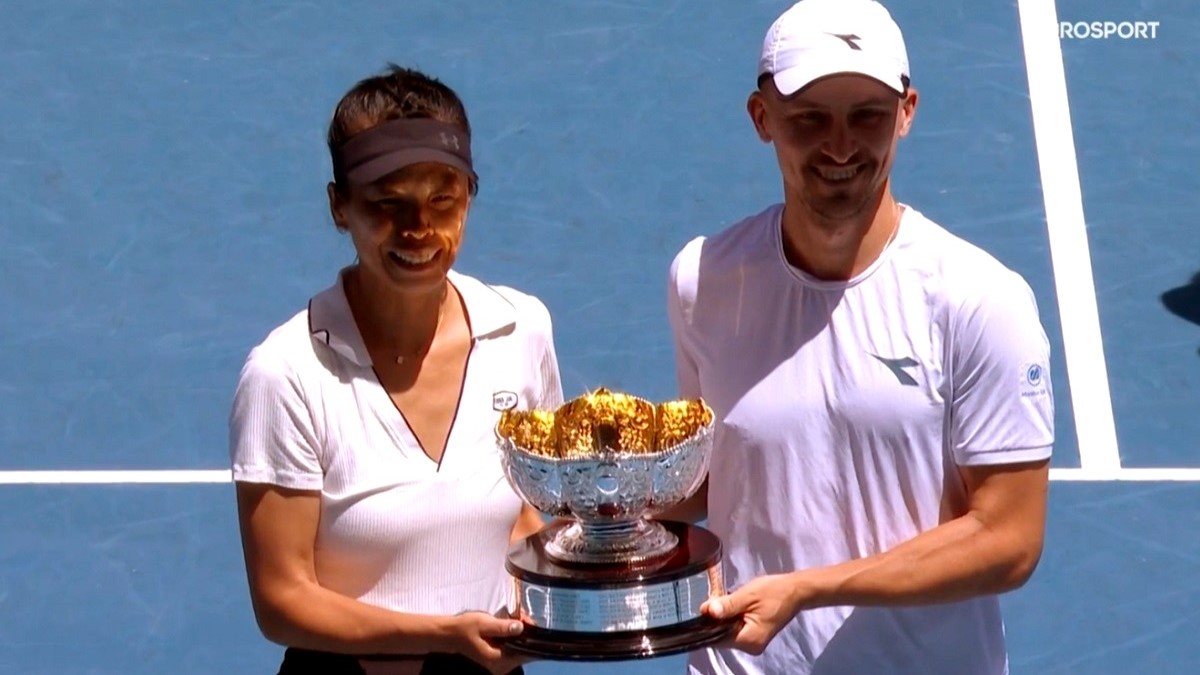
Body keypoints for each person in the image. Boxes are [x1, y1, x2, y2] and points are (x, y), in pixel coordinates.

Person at [663, 1, 1055, 673]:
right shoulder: (703, 279)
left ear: (907, 112)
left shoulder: (979, 299)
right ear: (762, 118)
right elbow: (707, 479)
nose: (841, 146)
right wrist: (591, 514)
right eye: (810, 119)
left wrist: (810, 589)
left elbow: (1009, 538)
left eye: (867, 116)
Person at [227, 65, 563, 675]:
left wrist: (606, 579)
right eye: (388, 203)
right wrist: (443, 638)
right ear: (339, 207)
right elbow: (281, 600)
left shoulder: (522, 330)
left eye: (442, 200)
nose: (418, 229)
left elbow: (521, 515)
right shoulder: (286, 373)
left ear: (469, 197)